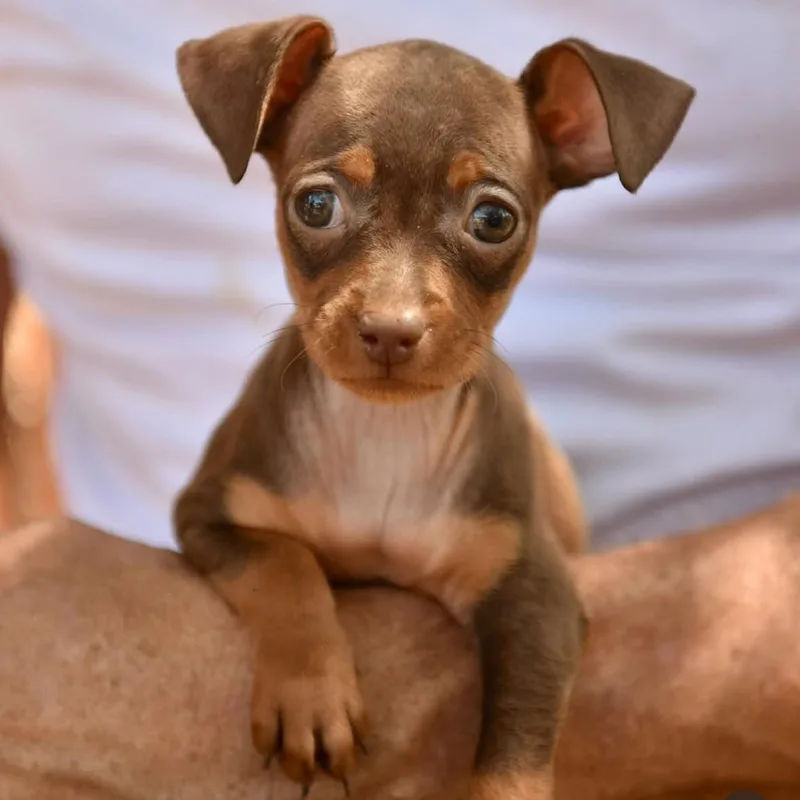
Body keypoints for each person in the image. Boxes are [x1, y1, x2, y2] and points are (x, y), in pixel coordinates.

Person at [0, 1, 798, 797]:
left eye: (489, 219)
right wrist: (293, 631)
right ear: (267, 117)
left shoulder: (488, 472)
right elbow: (214, 519)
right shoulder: (267, 440)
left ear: (572, 132)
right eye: (322, 207)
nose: (394, 313)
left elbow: (538, 609)